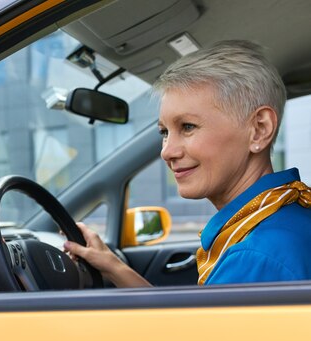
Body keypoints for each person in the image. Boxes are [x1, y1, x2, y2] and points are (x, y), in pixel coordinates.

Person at [64, 40, 311, 286]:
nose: (167, 151)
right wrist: (114, 266)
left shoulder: (254, 257)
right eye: (164, 132)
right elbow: (191, 324)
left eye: (188, 127)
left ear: (259, 129)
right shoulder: (285, 215)